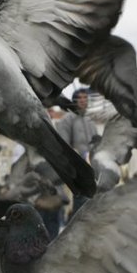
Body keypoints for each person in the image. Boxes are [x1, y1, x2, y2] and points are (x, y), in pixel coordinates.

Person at [56, 88, 97, 217]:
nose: (83, 100)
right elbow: (63, 145)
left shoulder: (90, 121)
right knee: (76, 206)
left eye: (85, 97)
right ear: (74, 100)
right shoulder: (67, 119)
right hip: (75, 169)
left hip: (91, 168)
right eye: (80, 98)